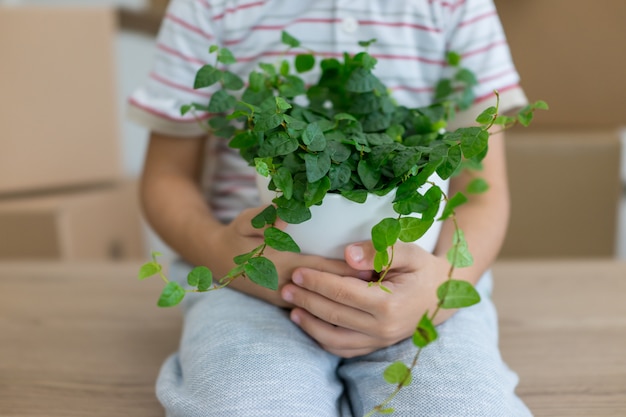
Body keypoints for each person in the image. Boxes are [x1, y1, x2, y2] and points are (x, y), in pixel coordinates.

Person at [128, 0, 532, 415]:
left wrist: (443, 287)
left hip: (419, 282)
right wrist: (221, 250)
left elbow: (480, 190)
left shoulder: (456, 6)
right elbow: (166, 178)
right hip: (250, 281)